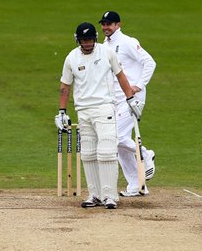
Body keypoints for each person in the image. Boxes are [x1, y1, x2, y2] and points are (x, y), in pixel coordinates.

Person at [55, 22, 143, 209]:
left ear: (95, 39)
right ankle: (95, 195)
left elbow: (121, 76)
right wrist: (61, 112)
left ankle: (110, 196)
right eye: (83, 40)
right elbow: (65, 86)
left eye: (89, 40)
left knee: (106, 152)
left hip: (104, 108)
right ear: (77, 40)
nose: (87, 43)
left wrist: (131, 99)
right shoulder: (72, 57)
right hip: (83, 110)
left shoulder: (107, 52)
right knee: (87, 154)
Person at [99, 11, 157, 196]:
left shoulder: (128, 42)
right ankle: (137, 185)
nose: (106, 27)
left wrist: (139, 86)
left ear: (118, 25)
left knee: (116, 137)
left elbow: (150, 62)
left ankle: (146, 154)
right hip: (114, 99)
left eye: (110, 24)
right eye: (104, 24)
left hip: (132, 98)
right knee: (117, 145)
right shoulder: (103, 46)